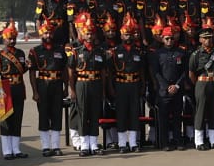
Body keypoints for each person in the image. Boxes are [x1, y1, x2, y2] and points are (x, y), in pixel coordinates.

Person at [68, 13, 108, 156]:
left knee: (94, 112)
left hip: (96, 83)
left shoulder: (99, 51)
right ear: (82, 35)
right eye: (87, 33)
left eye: (91, 33)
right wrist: (72, 90)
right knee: (83, 113)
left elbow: (103, 72)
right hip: (82, 84)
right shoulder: (76, 51)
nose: (89, 36)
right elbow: (71, 73)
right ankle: (84, 145)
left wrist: (103, 89)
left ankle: (93, 143)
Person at [27, 20, 67, 157]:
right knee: (43, 115)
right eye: (45, 32)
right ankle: (45, 146)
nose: (48, 35)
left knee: (57, 115)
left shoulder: (60, 50)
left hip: (57, 84)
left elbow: (65, 70)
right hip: (42, 84)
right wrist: (35, 91)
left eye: (50, 32)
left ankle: (55, 146)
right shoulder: (35, 51)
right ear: (41, 34)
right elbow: (32, 72)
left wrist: (66, 87)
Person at [108, 15, 147, 153]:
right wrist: (111, 88)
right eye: (126, 34)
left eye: (130, 34)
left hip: (134, 84)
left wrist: (142, 85)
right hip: (121, 85)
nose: (128, 37)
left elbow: (142, 70)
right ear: (121, 35)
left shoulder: (138, 52)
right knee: (122, 114)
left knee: (134, 113)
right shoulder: (115, 52)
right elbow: (110, 72)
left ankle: (133, 143)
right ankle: (122, 143)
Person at [0, 21, 28, 159]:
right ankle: (7, 150)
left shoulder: (21, 53)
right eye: (9, 38)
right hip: (5, 88)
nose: (12, 41)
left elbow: (22, 70)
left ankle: (16, 149)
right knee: (5, 119)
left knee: (17, 119)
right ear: (4, 38)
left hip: (18, 88)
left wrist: (28, 66)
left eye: (14, 38)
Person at [150, 25, 189, 150]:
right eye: (167, 38)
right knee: (164, 118)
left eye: (171, 38)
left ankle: (178, 141)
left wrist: (176, 85)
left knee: (178, 117)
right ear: (162, 39)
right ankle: (164, 142)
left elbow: (185, 71)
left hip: (177, 89)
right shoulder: (157, 54)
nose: (169, 41)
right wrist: (167, 87)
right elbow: (156, 73)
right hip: (163, 91)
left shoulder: (181, 52)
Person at [188, 27, 214, 150]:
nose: (208, 40)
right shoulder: (196, 54)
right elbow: (191, 73)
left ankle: (213, 139)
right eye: (205, 38)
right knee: (201, 111)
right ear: (200, 40)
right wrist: (198, 84)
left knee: (213, 111)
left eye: (209, 38)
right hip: (202, 83)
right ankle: (199, 141)